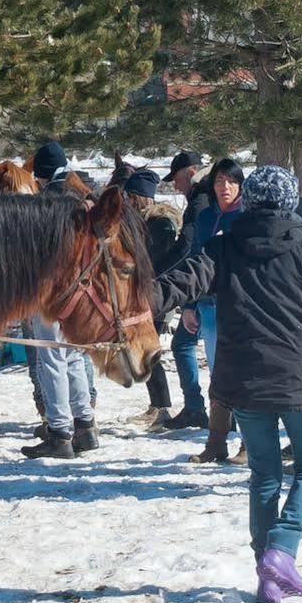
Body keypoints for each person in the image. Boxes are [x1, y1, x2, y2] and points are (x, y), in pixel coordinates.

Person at [155, 166, 302, 603]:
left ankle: (268, 574)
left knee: (264, 476)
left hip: (246, 384)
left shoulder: (223, 248)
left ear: (252, 202)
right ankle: (281, 549)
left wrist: (135, 298)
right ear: (290, 202)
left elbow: (182, 282)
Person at [21, 140, 99, 459]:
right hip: (79, 293)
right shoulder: (82, 196)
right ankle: (85, 425)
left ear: (41, 175)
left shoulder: (46, 203)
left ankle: (59, 431)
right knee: (74, 356)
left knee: (50, 358)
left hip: (53, 292)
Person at [184, 159, 245, 463]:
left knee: (244, 374)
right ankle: (216, 442)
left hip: (242, 308)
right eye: (220, 181)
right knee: (218, 375)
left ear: (241, 185)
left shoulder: (248, 217)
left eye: (231, 181)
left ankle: (248, 444)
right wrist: (189, 304)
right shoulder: (206, 218)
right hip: (209, 306)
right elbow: (193, 261)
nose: (225, 187)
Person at [124, 169, 186, 427]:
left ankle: (162, 407)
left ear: (140, 196)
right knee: (145, 351)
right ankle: (157, 404)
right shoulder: (144, 222)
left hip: (158, 296)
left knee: (149, 351)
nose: (126, 199)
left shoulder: (160, 225)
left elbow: (156, 262)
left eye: (130, 195)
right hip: (148, 294)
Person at [155, 151, 211, 431]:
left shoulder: (201, 200)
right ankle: (197, 408)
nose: (175, 186)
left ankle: (198, 408)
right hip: (201, 286)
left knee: (191, 347)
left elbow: (187, 247)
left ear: (190, 172)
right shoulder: (202, 196)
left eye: (176, 179)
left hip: (204, 286)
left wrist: (157, 274)